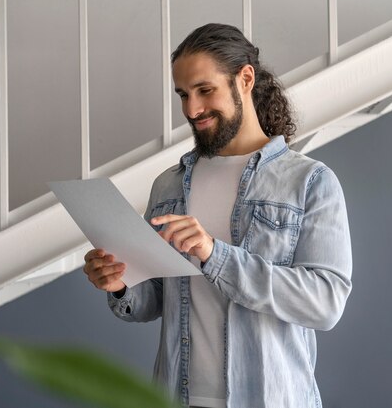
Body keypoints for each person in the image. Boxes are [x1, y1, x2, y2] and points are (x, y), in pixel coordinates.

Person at [83, 23, 352, 408]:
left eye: (205, 90)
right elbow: (156, 299)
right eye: (183, 94)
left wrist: (215, 254)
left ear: (245, 79)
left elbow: (325, 304)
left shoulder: (310, 182)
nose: (192, 109)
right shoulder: (168, 187)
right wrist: (120, 283)